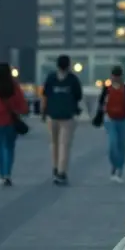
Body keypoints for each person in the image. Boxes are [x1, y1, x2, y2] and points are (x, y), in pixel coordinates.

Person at [41, 54, 83, 184]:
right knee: (64, 145)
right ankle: (61, 172)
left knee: (53, 143)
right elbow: (78, 96)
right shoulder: (73, 79)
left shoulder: (51, 78)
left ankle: (55, 167)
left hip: (52, 115)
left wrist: (43, 112)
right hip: (67, 116)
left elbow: (45, 96)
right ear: (69, 65)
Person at [0, 63, 29, 186]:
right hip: (11, 120)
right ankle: (7, 174)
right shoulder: (14, 86)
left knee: (0, 147)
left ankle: (1, 174)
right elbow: (22, 104)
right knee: (9, 148)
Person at [96, 66, 125, 182]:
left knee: (122, 145)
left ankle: (119, 169)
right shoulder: (107, 89)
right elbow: (100, 103)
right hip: (111, 120)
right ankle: (115, 165)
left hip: (124, 120)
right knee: (113, 143)